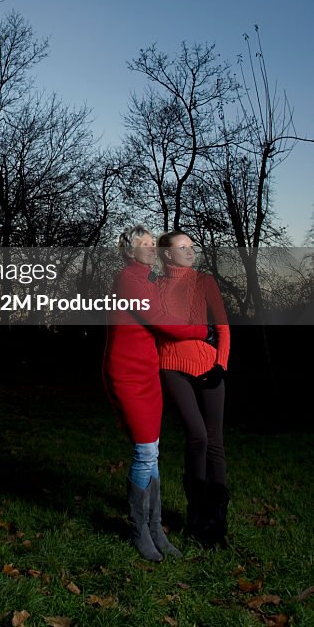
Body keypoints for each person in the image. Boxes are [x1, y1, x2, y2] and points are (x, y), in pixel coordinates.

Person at [103, 225, 214, 562]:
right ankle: (140, 530)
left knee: (152, 451)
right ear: (129, 251)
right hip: (128, 374)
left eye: (154, 243)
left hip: (148, 373)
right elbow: (160, 319)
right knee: (145, 452)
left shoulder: (147, 282)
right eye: (144, 244)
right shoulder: (128, 280)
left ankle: (155, 528)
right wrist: (201, 330)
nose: (152, 248)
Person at [157, 230, 230, 547]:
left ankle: (216, 524)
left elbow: (223, 327)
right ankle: (196, 518)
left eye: (191, 246)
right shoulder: (156, 287)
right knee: (197, 436)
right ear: (167, 254)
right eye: (182, 247)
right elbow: (164, 328)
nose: (189, 251)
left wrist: (221, 364)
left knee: (215, 441)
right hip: (172, 366)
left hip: (210, 366)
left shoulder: (205, 282)